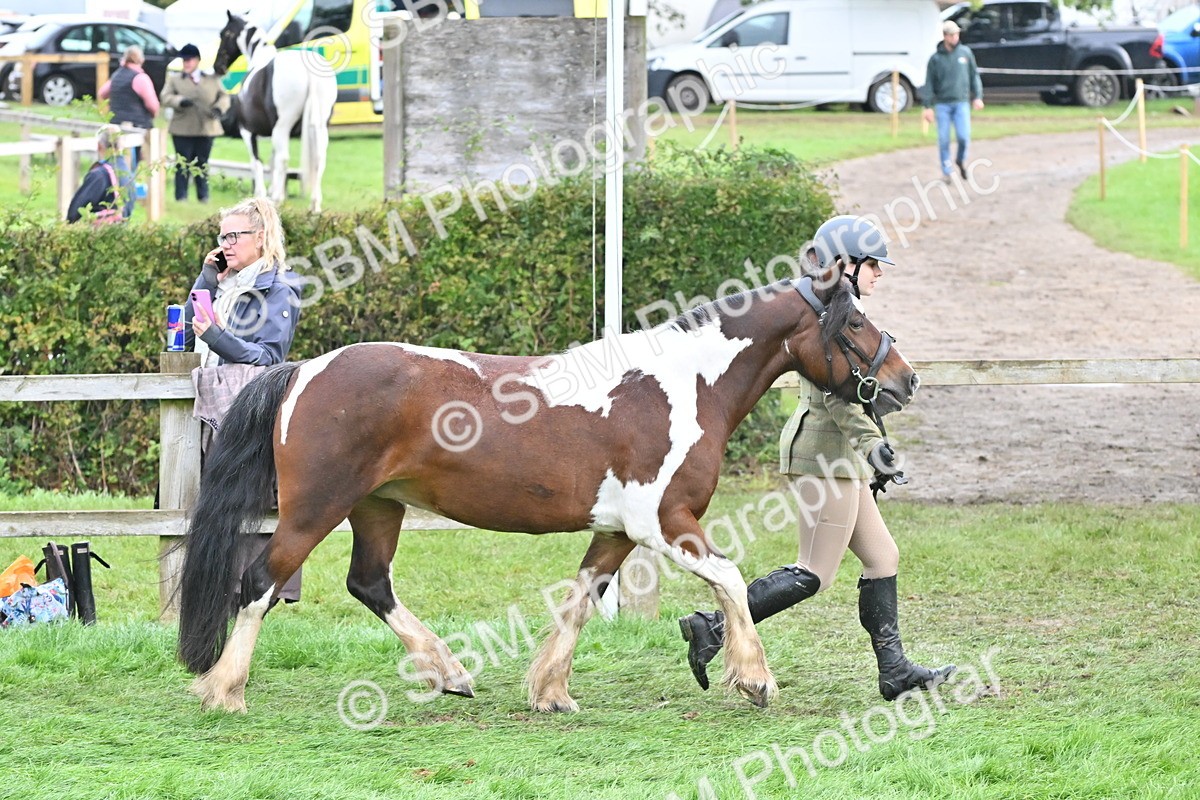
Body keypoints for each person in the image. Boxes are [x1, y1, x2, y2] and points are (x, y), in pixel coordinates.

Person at [678, 215, 955, 702]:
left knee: (883, 557)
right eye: (871, 264)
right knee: (815, 572)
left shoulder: (841, 309)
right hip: (821, 456)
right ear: (844, 265)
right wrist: (874, 447)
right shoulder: (823, 316)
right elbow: (836, 399)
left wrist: (870, 450)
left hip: (839, 457)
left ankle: (894, 671)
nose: (880, 272)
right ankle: (713, 627)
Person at [184, 197, 303, 600]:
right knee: (205, 505)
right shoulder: (225, 284)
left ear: (262, 237)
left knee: (245, 507)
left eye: (235, 235)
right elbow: (184, 331)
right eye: (223, 236)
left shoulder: (278, 290)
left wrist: (215, 336)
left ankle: (248, 596)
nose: (226, 244)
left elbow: (268, 358)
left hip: (246, 412)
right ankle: (207, 592)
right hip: (209, 407)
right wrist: (205, 279)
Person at [161, 43, 229, 203]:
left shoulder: (212, 78)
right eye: (184, 60)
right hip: (182, 128)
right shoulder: (175, 79)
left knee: (202, 164)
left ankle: (203, 196)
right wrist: (179, 101)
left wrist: (219, 108)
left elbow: (224, 96)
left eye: (189, 60)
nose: (186, 63)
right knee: (182, 164)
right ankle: (181, 196)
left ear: (197, 60)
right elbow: (165, 97)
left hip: (206, 128)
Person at [920, 21, 984, 182]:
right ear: (945, 36)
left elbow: (973, 76)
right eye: (952, 34)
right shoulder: (935, 59)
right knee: (943, 139)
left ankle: (961, 160)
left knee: (963, 137)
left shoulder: (965, 53)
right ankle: (946, 171)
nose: (955, 37)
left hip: (961, 102)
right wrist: (927, 106)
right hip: (943, 104)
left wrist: (977, 96)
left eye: (957, 34)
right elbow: (929, 84)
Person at [99, 46, 160, 170]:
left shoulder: (116, 75)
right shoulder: (140, 78)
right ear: (140, 60)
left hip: (115, 123)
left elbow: (102, 93)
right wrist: (153, 115)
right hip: (136, 125)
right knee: (131, 163)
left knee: (116, 161)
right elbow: (153, 105)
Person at [66, 124, 135, 224]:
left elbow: (74, 213)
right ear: (121, 146)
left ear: (99, 146)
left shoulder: (99, 175)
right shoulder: (129, 175)